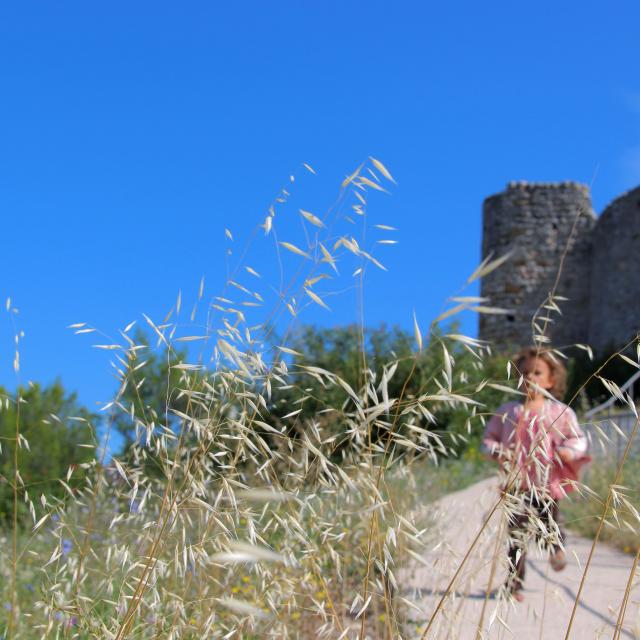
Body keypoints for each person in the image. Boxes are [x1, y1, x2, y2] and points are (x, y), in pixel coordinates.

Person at [482, 347, 591, 602]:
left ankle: (556, 549)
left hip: (546, 482)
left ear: (551, 380)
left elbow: (578, 439)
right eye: (524, 372)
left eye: (537, 372)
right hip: (516, 483)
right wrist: (499, 451)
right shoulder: (508, 411)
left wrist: (567, 451)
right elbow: (487, 440)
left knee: (550, 520)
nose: (530, 378)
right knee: (516, 537)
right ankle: (513, 585)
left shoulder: (560, 412)